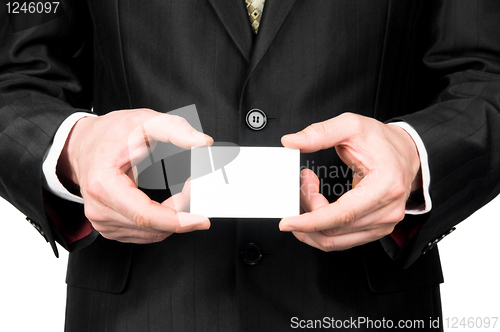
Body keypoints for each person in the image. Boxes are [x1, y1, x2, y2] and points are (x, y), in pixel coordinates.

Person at [1, 1, 499, 331]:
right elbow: (14, 78)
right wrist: (75, 148)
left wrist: (413, 155)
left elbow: (488, 75)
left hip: (364, 310)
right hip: (137, 311)